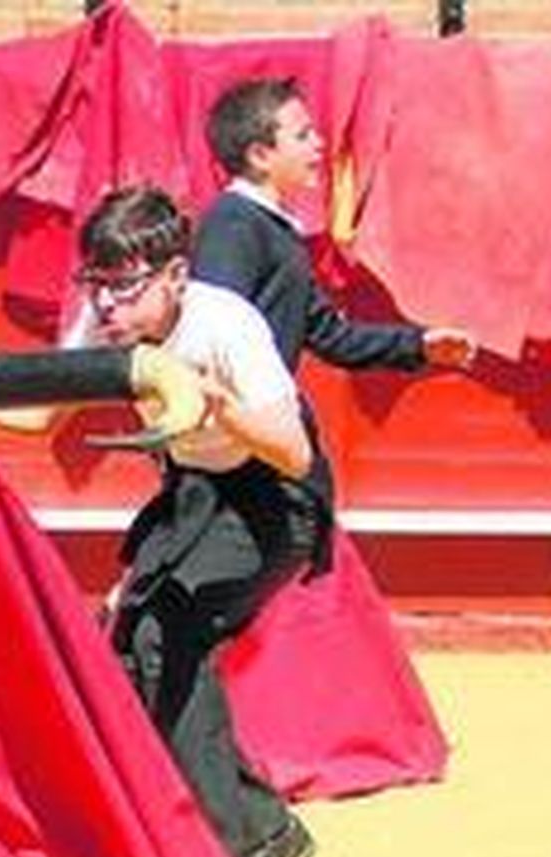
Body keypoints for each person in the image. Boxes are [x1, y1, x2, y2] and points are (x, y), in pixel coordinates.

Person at [0, 186, 318, 857]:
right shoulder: (105, 323)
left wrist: (221, 407)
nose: (107, 303)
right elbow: (44, 416)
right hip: (195, 494)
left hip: (270, 499)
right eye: (96, 284)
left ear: (175, 275)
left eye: (124, 286)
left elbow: (294, 453)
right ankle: (239, 834)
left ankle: (254, 841)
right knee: (131, 653)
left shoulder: (226, 324)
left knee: (167, 639)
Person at [194, 76, 475, 542]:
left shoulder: (269, 227)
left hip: (256, 438)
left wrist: (419, 345)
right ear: (260, 155)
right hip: (237, 443)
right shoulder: (234, 225)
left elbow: (329, 334)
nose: (319, 144)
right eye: (302, 135)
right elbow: (210, 334)